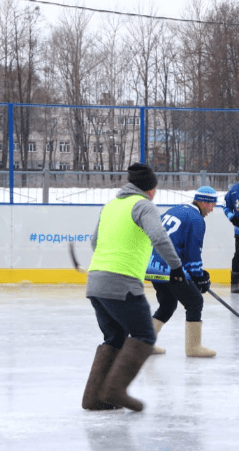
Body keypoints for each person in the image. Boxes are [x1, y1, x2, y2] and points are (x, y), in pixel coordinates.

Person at [82, 162, 185, 413]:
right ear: (151, 189)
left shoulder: (111, 206)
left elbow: (94, 242)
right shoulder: (143, 205)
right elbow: (159, 237)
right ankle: (115, 390)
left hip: (96, 281)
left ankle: (94, 398)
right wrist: (177, 268)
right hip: (122, 282)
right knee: (145, 335)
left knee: (114, 337)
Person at [145, 186, 218, 358]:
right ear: (203, 202)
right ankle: (194, 347)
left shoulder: (176, 210)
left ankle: (144, 344)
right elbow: (193, 252)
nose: (212, 209)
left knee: (167, 304)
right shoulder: (196, 219)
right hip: (170, 267)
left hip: (153, 265)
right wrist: (198, 276)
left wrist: (196, 275)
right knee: (195, 302)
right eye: (211, 205)